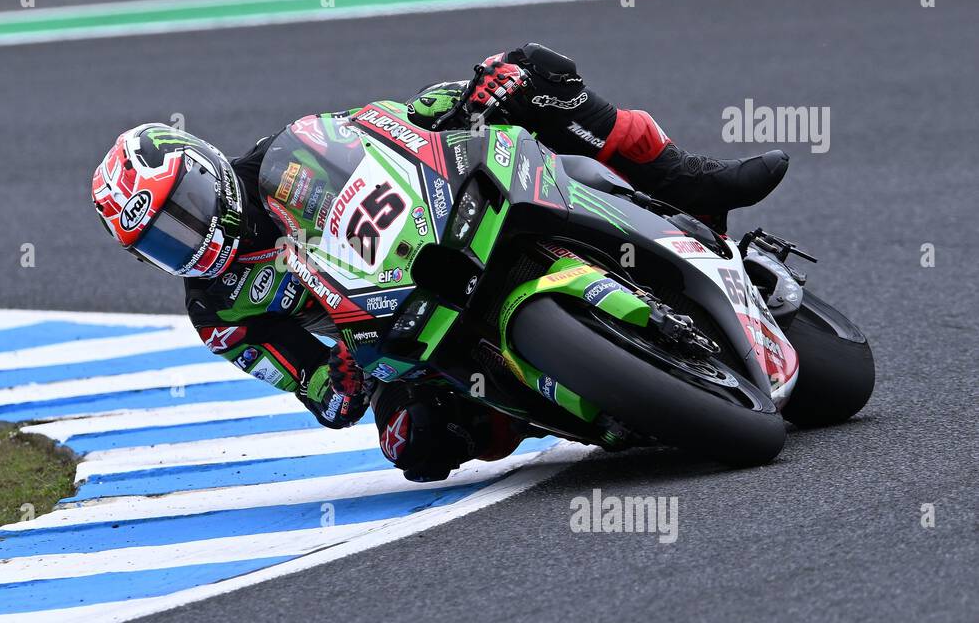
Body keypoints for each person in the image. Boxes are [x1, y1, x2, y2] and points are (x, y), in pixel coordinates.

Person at [90, 43, 788, 481]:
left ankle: (691, 182)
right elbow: (324, 399)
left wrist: (463, 99)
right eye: (159, 241)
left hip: (440, 239)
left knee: (534, 71)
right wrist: (340, 372)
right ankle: (583, 400)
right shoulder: (218, 313)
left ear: (205, 171)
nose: (183, 237)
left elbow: (390, 127)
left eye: (180, 208)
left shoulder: (287, 150)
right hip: (392, 339)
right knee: (414, 446)